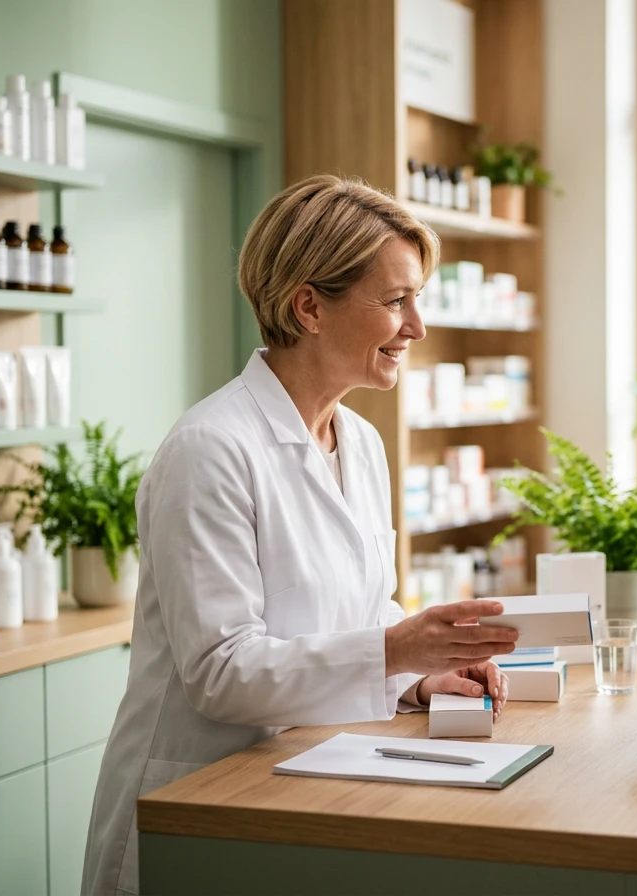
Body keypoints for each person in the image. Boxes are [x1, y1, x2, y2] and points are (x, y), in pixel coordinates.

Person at [82, 175, 518, 896]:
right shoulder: (210, 448)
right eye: (396, 300)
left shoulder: (362, 442)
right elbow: (221, 671)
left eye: (419, 299)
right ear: (309, 306)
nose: (418, 327)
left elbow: (361, 606)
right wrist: (396, 649)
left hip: (312, 785)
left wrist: (417, 677)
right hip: (202, 805)